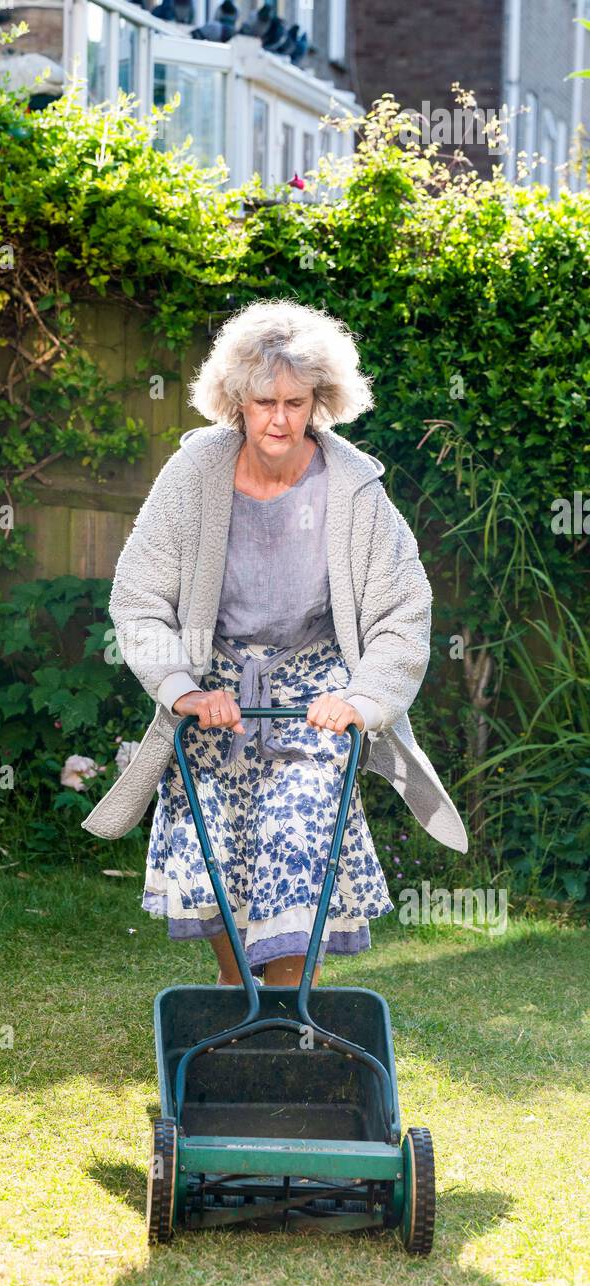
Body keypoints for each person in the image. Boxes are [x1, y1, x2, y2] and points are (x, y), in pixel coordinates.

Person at [83, 298, 468, 987]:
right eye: (265, 402)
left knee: (299, 845)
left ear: (321, 400)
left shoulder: (354, 489)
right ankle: (237, 1004)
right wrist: (184, 690)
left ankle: (290, 1015)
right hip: (215, 697)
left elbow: (402, 612)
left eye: (296, 401)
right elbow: (139, 598)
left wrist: (361, 700)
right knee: (220, 864)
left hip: (314, 700)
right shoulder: (194, 476)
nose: (281, 420)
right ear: (235, 401)